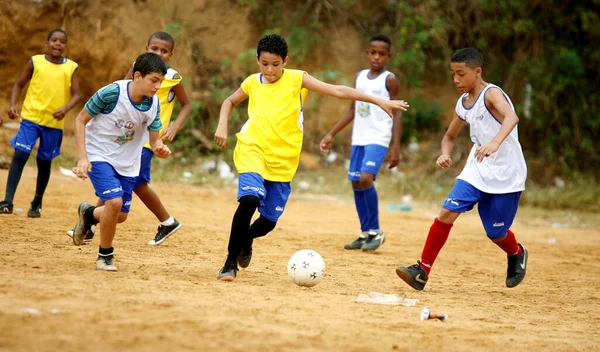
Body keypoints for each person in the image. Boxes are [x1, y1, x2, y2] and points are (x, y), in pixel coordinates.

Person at [213, 34, 409, 281]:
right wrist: (223, 125)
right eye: (264, 64)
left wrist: (378, 100)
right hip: (253, 149)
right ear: (257, 61)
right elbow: (229, 101)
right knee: (249, 199)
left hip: (284, 160)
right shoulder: (252, 82)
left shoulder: (298, 79)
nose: (270, 69)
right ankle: (229, 263)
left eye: (276, 64)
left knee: (268, 222)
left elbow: (337, 90)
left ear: (286, 60)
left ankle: (247, 239)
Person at [395, 47, 528, 290]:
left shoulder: (491, 94)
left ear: (477, 72)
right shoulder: (463, 103)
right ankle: (422, 270)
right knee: (447, 212)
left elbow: (512, 118)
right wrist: (445, 153)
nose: (456, 79)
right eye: (453, 74)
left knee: (496, 233)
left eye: (461, 73)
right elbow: (449, 136)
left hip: (507, 173)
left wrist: (495, 143)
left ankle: (516, 253)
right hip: (476, 169)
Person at [78, 31, 192, 246]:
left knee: (129, 182)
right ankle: (92, 222)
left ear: (171, 54)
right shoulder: (136, 69)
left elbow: (188, 104)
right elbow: (122, 94)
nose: (159, 53)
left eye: (164, 51)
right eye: (154, 49)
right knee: (122, 182)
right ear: (146, 48)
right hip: (127, 137)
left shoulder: (173, 77)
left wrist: (175, 126)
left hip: (150, 140)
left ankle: (92, 223)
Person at [71, 52, 171, 271]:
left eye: (160, 82)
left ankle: (88, 214)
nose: (157, 87)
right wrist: (82, 158)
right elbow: (80, 120)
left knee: (120, 215)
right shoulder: (111, 94)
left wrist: (160, 148)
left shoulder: (154, 105)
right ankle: (105, 255)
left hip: (128, 163)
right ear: (137, 76)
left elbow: (154, 141)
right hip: (99, 154)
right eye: (153, 80)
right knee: (114, 204)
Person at [319, 34, 402, 252]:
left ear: (388, 56)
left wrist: (396, 145)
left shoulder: (389, 80)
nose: (376, 57)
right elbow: (352, 109)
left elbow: (398, 112)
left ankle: (376, 231)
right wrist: (331, 133)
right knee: (356, 182)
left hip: (379, 137)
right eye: (373, 52)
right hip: (360, 138)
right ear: (367, 53)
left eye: (381, 54)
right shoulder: (360, 77)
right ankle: (366, 233)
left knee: (366, 177)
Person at [0, 29, 81, 217]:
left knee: (44, 162)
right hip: (31, 118)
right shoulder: (35, 61)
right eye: (54, 40)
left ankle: (37, 202)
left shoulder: (71, 67)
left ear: (66, 47)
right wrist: (13, 104)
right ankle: (7, 201)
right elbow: (19, 84)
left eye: (62, 42)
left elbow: (77, 94)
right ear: (47, 43)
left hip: (53, 123)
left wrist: (65, 109)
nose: (57, 44)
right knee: (20, 154)